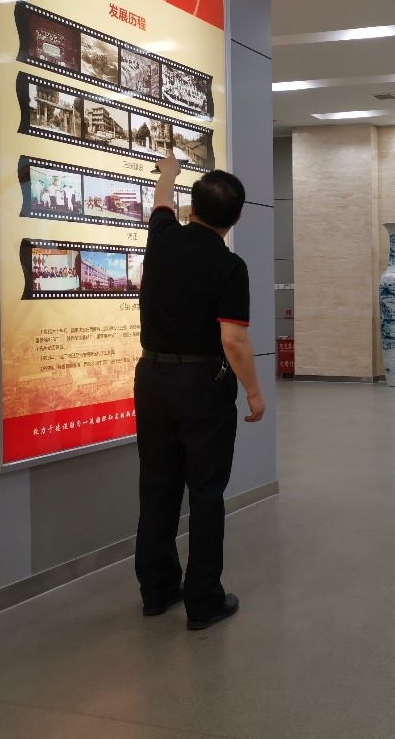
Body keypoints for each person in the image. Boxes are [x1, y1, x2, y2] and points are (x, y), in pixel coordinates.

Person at [133, 151, 265, 631]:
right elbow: (233, 340)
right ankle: (203, 600)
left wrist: (169, 172)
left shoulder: (163, 237)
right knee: (206, 492)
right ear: (237, 218)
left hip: (151, 379)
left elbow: (160, 202)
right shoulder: (230, 266)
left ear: (191, 208)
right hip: (202, 385)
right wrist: (254, 392)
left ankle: (157, 590)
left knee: (158, 485)